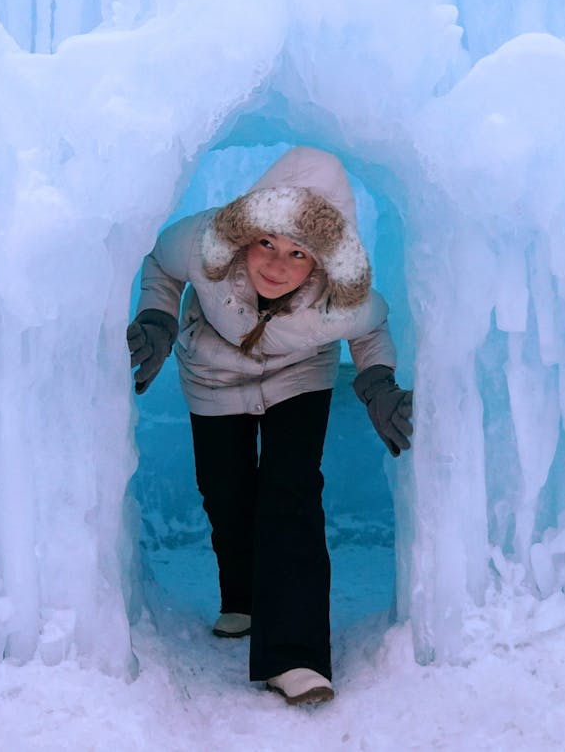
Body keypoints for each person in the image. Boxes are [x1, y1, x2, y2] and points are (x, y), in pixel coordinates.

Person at [127, 146, 413, 706]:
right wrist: (158, 317)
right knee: (225, 491)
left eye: (299, 253)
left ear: (324, 263)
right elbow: (160, 261)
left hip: (298, 379)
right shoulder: (204, 244)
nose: (277, 265)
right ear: (244, 234)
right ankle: (243, 597)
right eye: (266, 243)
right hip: (212, 375)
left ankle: (297, 655)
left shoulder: (341, 301)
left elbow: (373, 327)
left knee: (291, 494)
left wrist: (377, 382)